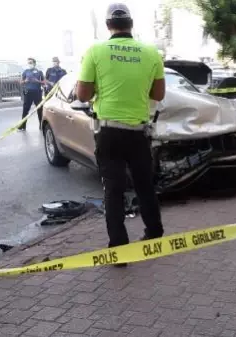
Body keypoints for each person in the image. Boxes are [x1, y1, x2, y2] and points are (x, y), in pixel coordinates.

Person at [76, 2, 165, 268]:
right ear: (131, 25)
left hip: (109, 132)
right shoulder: (151, 53)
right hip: (138, 132)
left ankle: (118, 249)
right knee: (145, 186)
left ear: (108, 26)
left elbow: (83, 95)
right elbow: (158, 95)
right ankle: (155, 235)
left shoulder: (95, 50)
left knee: (113, 190)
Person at [19, 57, 45, 131]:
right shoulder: (25, 72)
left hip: (37, 92)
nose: (29, 64)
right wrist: (25, 81)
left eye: (31, 62)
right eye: (28, 62)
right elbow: (21, 82)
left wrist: (37, 81)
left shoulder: (39, 72)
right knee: (25, 110)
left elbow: (44, 82)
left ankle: (41, 125)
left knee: (40, 109)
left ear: (34, 63)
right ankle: (22, 126)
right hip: (28, 93)